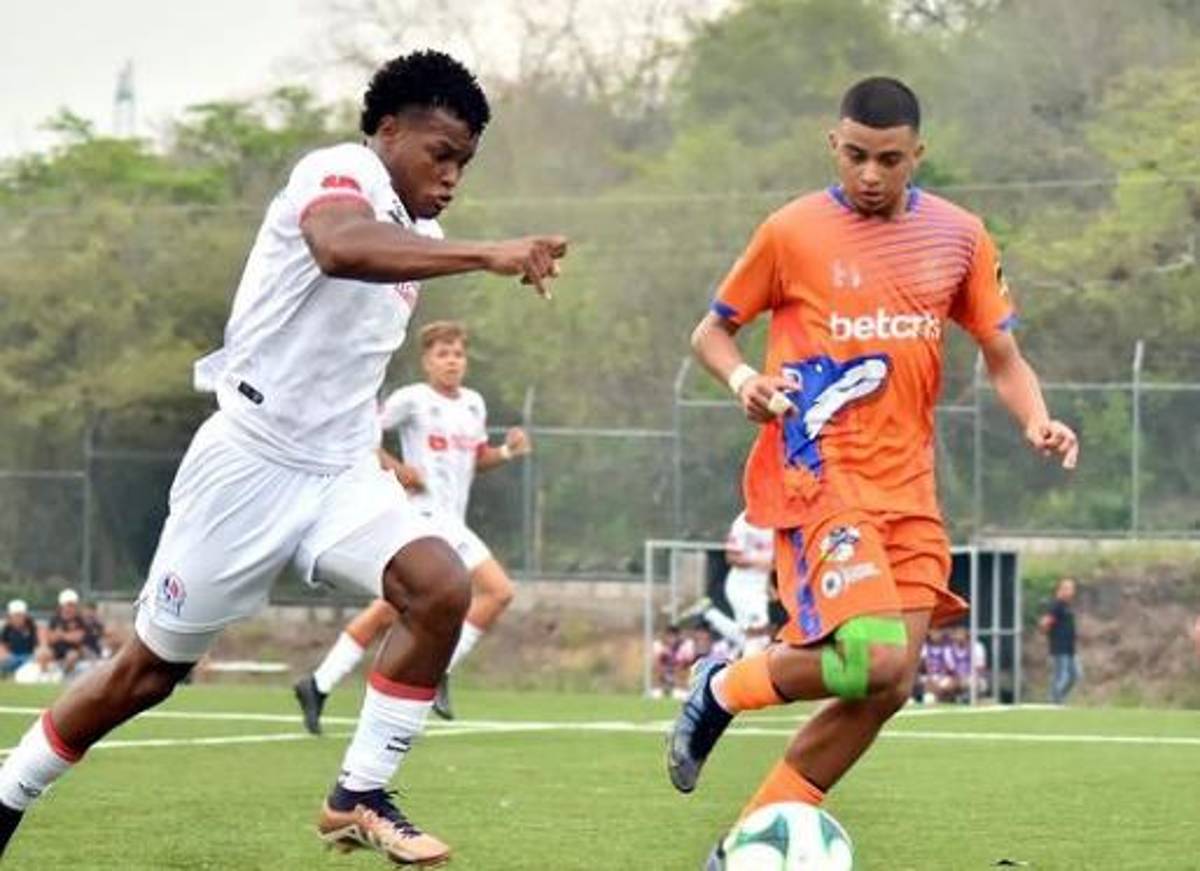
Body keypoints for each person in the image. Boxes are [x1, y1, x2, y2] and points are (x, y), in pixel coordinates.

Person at [0, 49, 567, 867]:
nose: (451, 177)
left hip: (340, 472)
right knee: (146, 675)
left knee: (440, 586)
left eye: (465, 163)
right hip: (248, 463)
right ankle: (11, 789)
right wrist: (489, 254)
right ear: (388, 130)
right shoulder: (337, 172)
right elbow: (340, 247)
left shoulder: (425, 234)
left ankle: (358, 794)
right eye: (440, 154)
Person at [664, 77, 1079, 866]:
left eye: (890, 159)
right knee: (878, 655)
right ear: (834, 145)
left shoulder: (958, 237)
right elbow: (712, 332)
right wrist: (744, 381)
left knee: (885, 687)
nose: (871, 174)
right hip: (820, 476)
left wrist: (1037, 418)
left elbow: (1003, 354)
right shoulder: (792, 230)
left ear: (917, 154)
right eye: (856, 155)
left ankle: (745, 842)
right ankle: (723, 686)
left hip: (910, 491)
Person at [293, 319, 530, 732]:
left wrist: (507, 452)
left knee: (391, 608)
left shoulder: (473, 403)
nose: (452, 361)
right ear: (427, 361)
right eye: (443, 354)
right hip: (422, 516)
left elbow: (476, 459)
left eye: (458, 353)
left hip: (451, 519)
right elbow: (363, 435)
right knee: (498, 590)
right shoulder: (413, 400)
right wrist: (398, 468)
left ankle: (317, 683)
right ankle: (437, 669)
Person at [723, 509, 775, 656]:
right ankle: (748, 676)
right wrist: (757, 561)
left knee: (755, 638)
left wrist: (769, 585)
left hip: (760, 589)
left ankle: (732, 668)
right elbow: (731, 557)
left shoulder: (780, 519)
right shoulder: (744, 521)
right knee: (758, 636)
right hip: (743, 587)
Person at [1040, 578, 1081, 704]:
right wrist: (1052, 636)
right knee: (1061, 676)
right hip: (1059, 647)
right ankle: (1055, 701)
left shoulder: (1067, 606)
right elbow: (1044, 623)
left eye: (1072, 588)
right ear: (1061, 590)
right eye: (1068, 588)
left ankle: (1058, 698)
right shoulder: (1056, 605)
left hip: (1070, 648)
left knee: (1076, 675)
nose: (1071, 591)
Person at [44, 589, 94, 679]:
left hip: (73, 649)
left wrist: (61, 635)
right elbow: (50, 638)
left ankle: (64, 676)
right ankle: (44, 678)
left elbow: (78, 638)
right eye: (68, 605)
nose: (70, 608)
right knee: (42, 654)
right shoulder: (55, 619)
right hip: (56, 649)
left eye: (73, 605)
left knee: (72, 656)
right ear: (62, 606)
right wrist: (66, 635)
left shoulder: (79, 620)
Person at [0, 600, 39, 677]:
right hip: (12, 657)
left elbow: (37, 646)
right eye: (15, 615)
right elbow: (2, 646)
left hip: (29, 657)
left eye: (20, 615)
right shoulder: (6, 629)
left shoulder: (32, 627)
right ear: (10, 616)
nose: (18, 618)